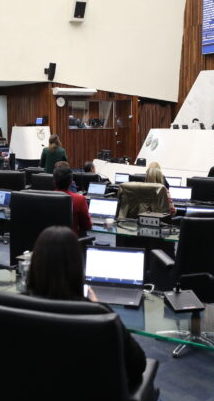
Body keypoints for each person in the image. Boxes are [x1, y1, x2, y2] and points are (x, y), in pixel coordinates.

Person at [25, 226, 147, 389]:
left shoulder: (14, 306)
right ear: (77, 267)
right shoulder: (97, 313)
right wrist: (97, 305)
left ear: (34, 263)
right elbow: (137, 364)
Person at [53, 167, 91, 236]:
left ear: (54, 181)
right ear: (71, 182)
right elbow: (87, 226)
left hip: (47, 240)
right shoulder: (79, 199)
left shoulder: (45, 198)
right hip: (71, 242)